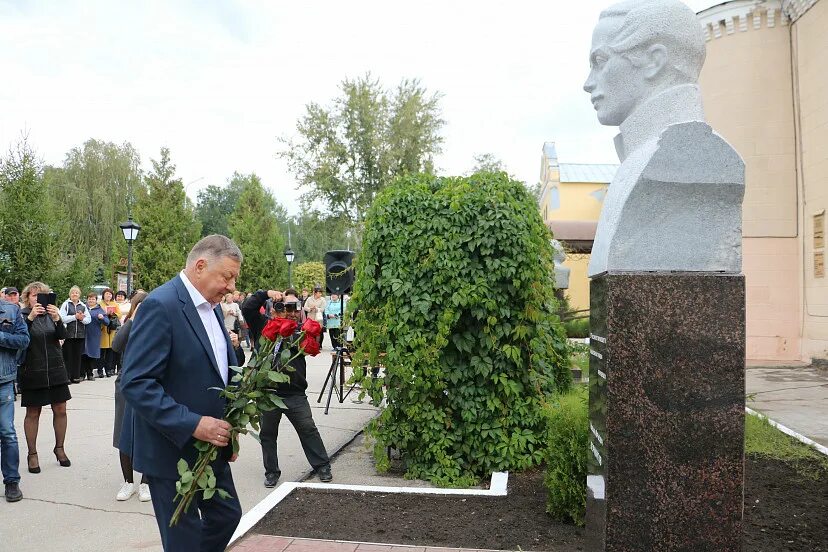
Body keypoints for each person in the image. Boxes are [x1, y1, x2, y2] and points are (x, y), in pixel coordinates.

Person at [119, 235, 243, 551]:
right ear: (200, 266)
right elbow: (136, 382)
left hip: (210, 447)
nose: (231, 287)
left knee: (227, 516)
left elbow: (219, 372)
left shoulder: (212, 307)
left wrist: (231, 429)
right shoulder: (161, 305)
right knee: (183, 539)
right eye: (227, 276)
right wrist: (193, 424)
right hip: (171, 451)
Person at [259, 289, 332, 488]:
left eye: (293, 307)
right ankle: (271, 472)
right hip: (268, 393)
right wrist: (265, 294)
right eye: (285, 307)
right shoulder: (265, 328)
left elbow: (314, 348)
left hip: (295, 393)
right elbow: (249, 307)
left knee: (308, 429)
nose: (289, 311)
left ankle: (322, 465)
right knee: (267, 434)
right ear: (276, 308)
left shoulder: (300, 332)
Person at [18, 282, 72, 473]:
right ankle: (32, 454)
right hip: (33, 370)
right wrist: (30, 318)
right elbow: (20, 340)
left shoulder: (52, 314)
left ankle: (59, 448)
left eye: (42, 296)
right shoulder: (22, 315)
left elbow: (63, 336)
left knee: (61, 410)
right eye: (34, 296)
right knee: (33, 413)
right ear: (27, 298)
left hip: (56, 369)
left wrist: (57, 319)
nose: (38, 299)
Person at [111, 291, 150, 502]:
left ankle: (146, 482)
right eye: (141, 306)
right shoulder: (128, 325)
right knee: (122, 433)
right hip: (126, 383)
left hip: (150, 385)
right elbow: (116, 345)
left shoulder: (156, 327)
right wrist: (133, 319)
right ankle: (128, 482)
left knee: (149, 433)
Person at [0, 290, 30, 501]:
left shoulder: (11, 310)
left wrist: (1, 336)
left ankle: (12, 481)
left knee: (7, 432)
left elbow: (23, 340)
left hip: (3, 381)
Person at [59, 286, 91, 384]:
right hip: (68, 335)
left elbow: (88, 320)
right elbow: (62, 318)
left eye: (76, 293)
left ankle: (76, 376)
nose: (74, 294)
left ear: (79, 295)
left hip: (80, 335)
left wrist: (81, 319)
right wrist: (75, 317)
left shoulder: (83, 306)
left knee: (77, 357)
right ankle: (67, 377)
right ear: (70, 294)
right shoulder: (66, 304)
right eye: (73, 292)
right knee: (68, 357)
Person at [82, 292, 109, 381]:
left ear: (96, 300)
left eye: (93, 299)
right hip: (83, 334)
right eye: (89, 299)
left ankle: (90, 374)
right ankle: (82, 374)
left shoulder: (99, 309)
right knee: (83, 354)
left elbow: (107, 322)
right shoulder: (83, 307)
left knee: (91, 355)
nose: (91, 300)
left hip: (94, 334)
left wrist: (102, 318)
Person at [98, 288, 121, 377]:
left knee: (110, 351)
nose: (108, 296)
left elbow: (120, 314)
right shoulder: (100, 304)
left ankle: (109, 370)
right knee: (101, 351)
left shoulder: (114, 304)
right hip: (103, 329)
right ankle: (100, 370)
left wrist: (113, 313)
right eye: (107, 294)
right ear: (103, 295)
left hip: (112, 329)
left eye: (110, 294)